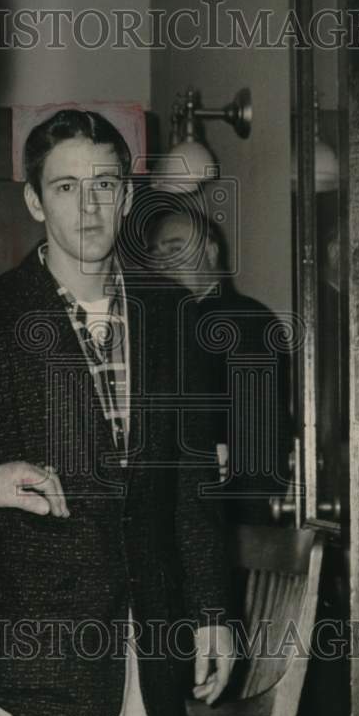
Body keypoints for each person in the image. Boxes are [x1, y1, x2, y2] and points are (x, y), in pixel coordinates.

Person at [0, 110, 233, 716]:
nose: (88, 207)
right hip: (32, 661)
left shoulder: (171, 317)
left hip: (150, 646)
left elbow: (192, 482)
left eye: (105, 185)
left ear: (127, 195)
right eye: (64, 188)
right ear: (32, 200)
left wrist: (208, 610)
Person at [147, 207, 293, 523]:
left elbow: (258, 439)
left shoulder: (243, 321)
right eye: (155, 254)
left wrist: (245, 526)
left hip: (226, 519)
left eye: (175, 249)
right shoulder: (168, 324)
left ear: (211, 252)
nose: (163, 263)